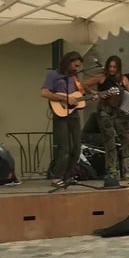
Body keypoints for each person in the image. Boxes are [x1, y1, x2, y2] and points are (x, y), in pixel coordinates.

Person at [81, 55, 129, 187]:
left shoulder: (124, 79)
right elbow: (83, 85)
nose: (112, 69)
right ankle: (112, 172)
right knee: (109, 142)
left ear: (119, 67)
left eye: (114, 67)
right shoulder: (101, 77)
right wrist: (94, 92)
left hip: (120, 112)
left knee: (126, 140)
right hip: (105, 112)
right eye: (110, 66)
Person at [41, 51, 86, 186]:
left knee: (77, 147)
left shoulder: (74, 77)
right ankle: (57, 176)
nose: (76, 68)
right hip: (60, 115)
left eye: (78, 66)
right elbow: (44, 92)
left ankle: (68, 175)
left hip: (74, 115)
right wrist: (64, 98)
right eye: (75, 65)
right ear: (68, 62)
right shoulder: (53, 75)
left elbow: (79, 94)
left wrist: (92, 95)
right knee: (64, 148)